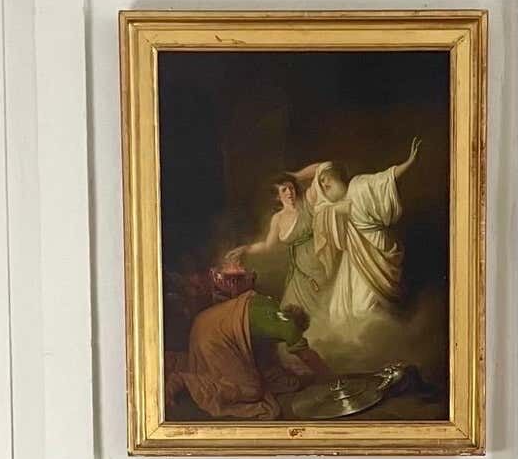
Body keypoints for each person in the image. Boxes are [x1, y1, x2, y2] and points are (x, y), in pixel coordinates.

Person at [176, 265, 329, 420]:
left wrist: (292, 380)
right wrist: (330, 377)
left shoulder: (268, 306)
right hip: (213, 339)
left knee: (257, 379)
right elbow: (308, 357)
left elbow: (264, 360)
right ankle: (183, 381)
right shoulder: (287, 325)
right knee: (251, 390)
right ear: (298, 324)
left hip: (202, 323)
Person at [310, 137, 421, 330]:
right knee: (339, 309)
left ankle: (372, 345)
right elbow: (320, 213)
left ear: (339, 177)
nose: (325, 187)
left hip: (375, 248)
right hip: (354, 255)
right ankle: (352, 348)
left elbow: (385, 179)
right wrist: (336, 209)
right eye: (323, 187)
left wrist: (409, 163)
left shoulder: (358, 186)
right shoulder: (333, 208)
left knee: (364, 308)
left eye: (328, 181)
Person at [223, 175, 334, 321]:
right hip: (298, 272)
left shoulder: (307, 205)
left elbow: (324, 168)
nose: (289, 192)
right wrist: (245, 249)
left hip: (318, 263)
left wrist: (297, 175)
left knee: (324, 307)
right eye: (284, 189)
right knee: (293, 314)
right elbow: (268, 245)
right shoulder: (278, 218)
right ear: (278, 196)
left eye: (291, 188)